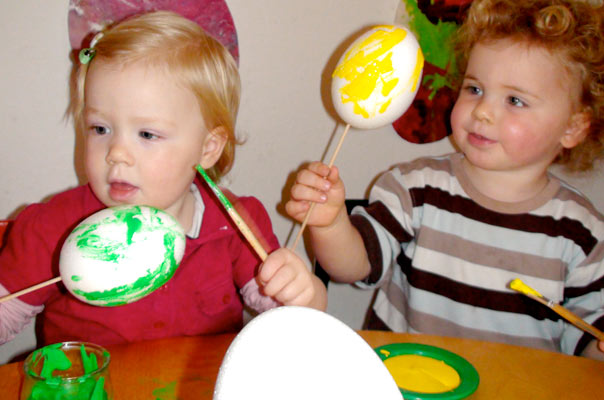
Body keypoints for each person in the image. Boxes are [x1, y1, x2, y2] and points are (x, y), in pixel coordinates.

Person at [286, 0, 604, 359]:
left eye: (515, 99)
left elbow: (587, 347)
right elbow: (354, 266)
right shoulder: (414, 188)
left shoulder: (585, 234)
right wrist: (329, 224)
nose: (482, 111)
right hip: (405, 383)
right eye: (474, 89)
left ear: (573, 126)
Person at [0, 11, 326, 347]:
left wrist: (305, 293)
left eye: (146, 133)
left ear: (207, 149)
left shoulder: (234, 226)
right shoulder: (53, 228)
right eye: (100, 129)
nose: (116, 153)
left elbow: (292, 320)